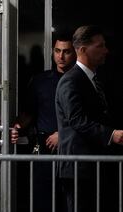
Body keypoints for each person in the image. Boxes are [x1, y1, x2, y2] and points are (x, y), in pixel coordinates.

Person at [55, 25, 123, 212]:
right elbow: (77, 120)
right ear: (83, 50)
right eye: (100, 46)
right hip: (79, 170)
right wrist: (112, 135)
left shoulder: (93, 79)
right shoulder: (71, 81)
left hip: (93, 169)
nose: (106, 50)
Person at [11, 31, 76, 212]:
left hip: (73, 149)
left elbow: (87, 119)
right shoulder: (40, 81)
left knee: (70, 202)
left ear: (75, 52)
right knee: (43, 201)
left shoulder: (80, 80)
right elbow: (29, 113)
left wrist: (62, 135)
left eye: (66, 51)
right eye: (57, 51)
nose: (61, 56)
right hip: (44, 148)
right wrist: (18, 127)